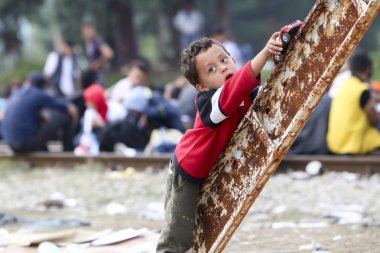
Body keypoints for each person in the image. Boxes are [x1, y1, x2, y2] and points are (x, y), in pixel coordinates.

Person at [156, 32, 283, 252]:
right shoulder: (209, 102)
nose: (223, 68)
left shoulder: (244, 93)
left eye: (224, 60)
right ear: (202, 86)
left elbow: (266, 94)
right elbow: (232, 94)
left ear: (234, 60)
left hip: (207, 170)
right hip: (186, 171)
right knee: (177, 234)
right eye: (211, 70)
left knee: (201, 229)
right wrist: (264, 53)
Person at [1, 72, 78, 153]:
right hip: (24, 144)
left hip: (11, 145)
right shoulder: (38, 94)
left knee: (39, 124)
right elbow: (69, 107)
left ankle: (43, 150)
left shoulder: (16, 93)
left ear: (28, 82)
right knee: (65, 115)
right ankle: (69, 151)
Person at [327, 52, 380, 154]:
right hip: (351, 145)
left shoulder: (345, 87)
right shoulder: (362, 90)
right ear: (368, 70)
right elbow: (374, 121)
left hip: (335, 145)